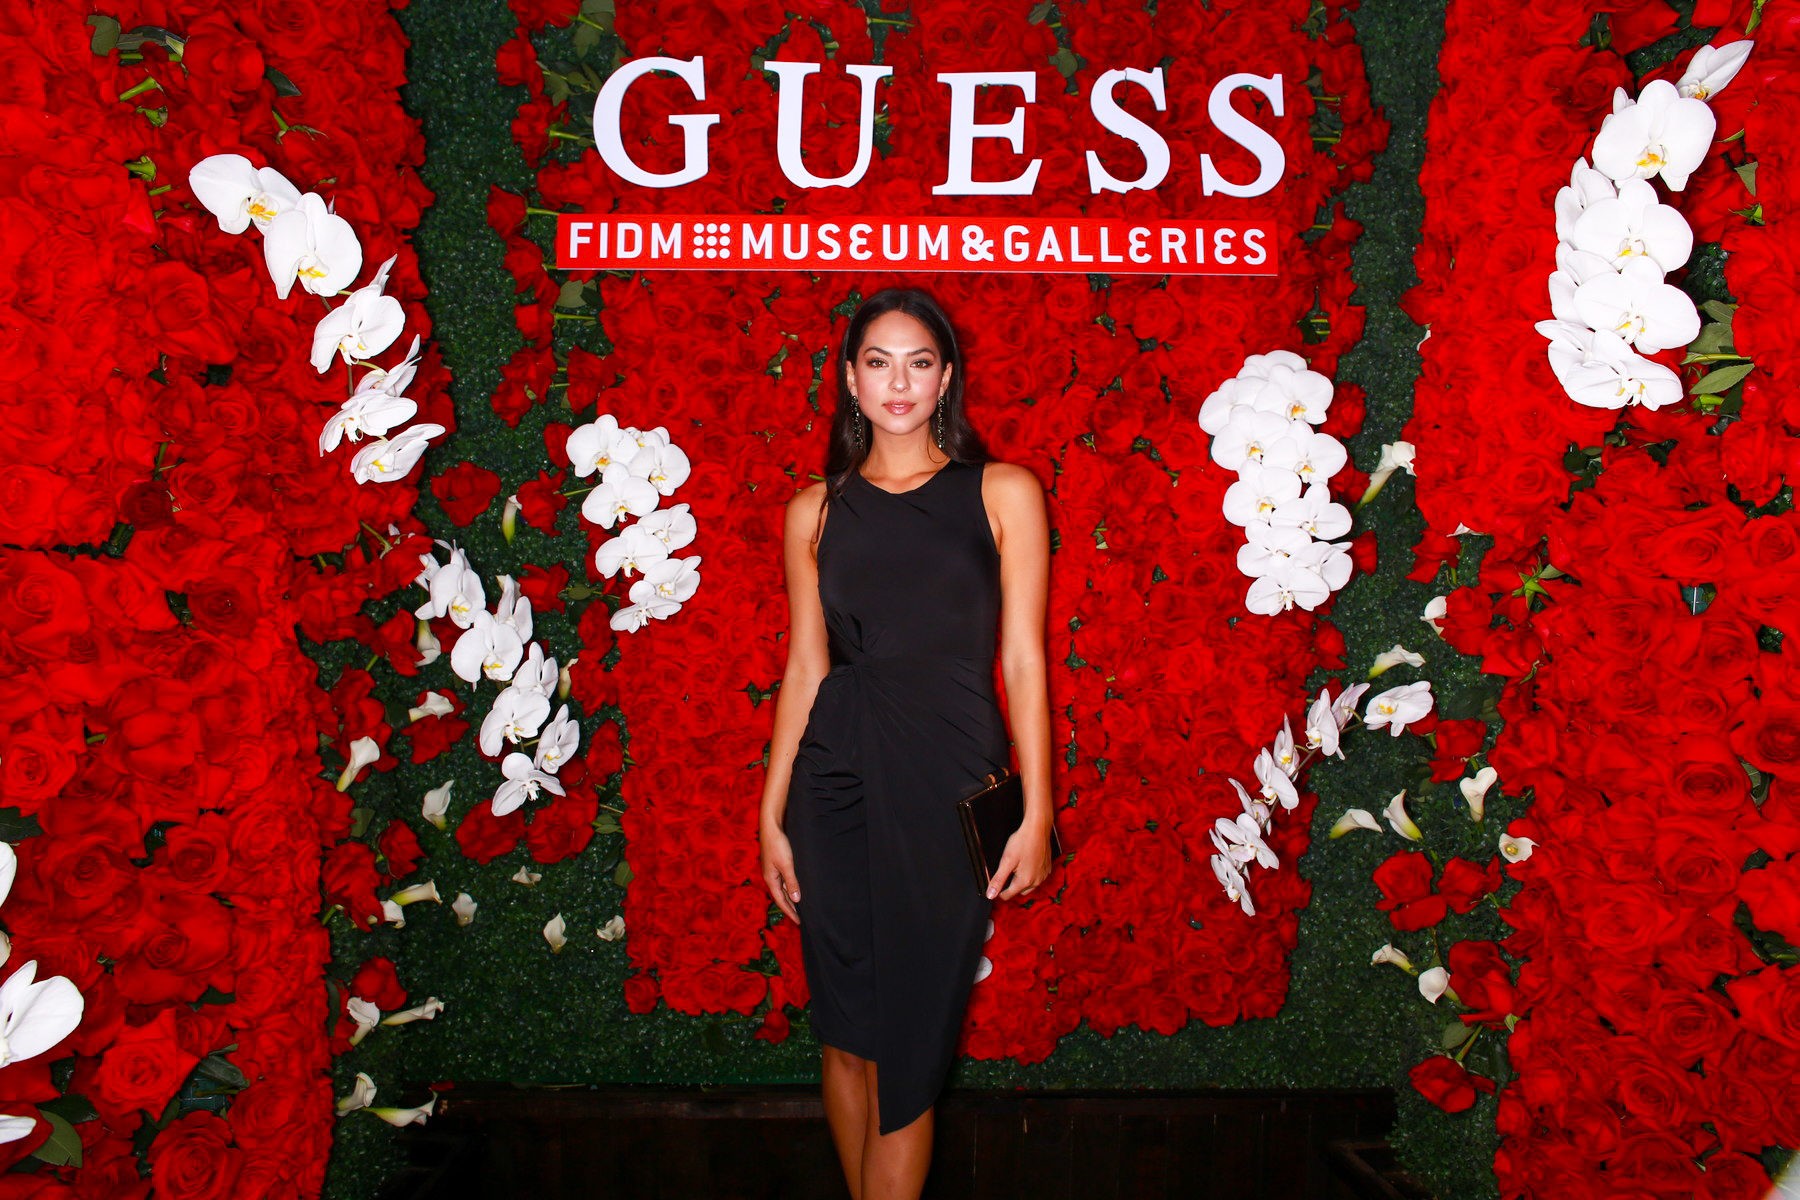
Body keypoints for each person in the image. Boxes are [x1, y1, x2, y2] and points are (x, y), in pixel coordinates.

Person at [757, 286, 1056, 1200]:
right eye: (878, 363)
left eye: (918, 363)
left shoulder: (1003, 491)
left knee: (909, 1048)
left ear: (946, 378)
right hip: (834, 782)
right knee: (846, 1039)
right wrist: (771, 815)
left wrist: (1037, 813)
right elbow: (805, 668)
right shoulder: (814, 511)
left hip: (949, 780)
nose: (898, 382)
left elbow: (1025, 659)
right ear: (850, 380)